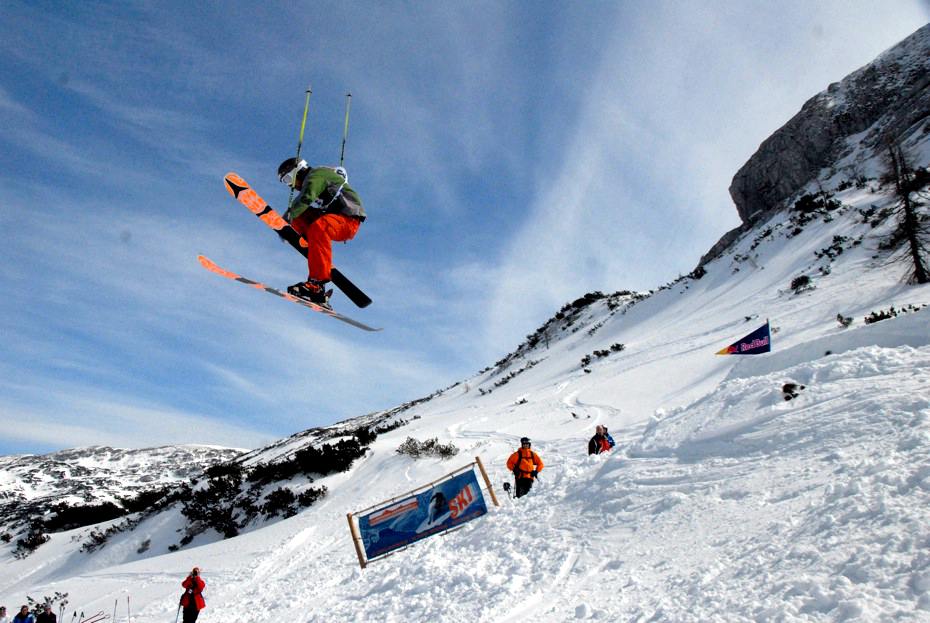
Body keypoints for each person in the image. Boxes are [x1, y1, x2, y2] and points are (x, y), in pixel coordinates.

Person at [277, 157, 366, 308]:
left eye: (287, 179)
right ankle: (312, 246)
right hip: (332, 218)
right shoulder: (315, 177)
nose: (291, 185)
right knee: (301, 216)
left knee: (319, 226)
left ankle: (316, 283)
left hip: (348, 220)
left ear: (295, 172)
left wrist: (285, 220)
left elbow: (306, 197)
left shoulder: (316, 175)